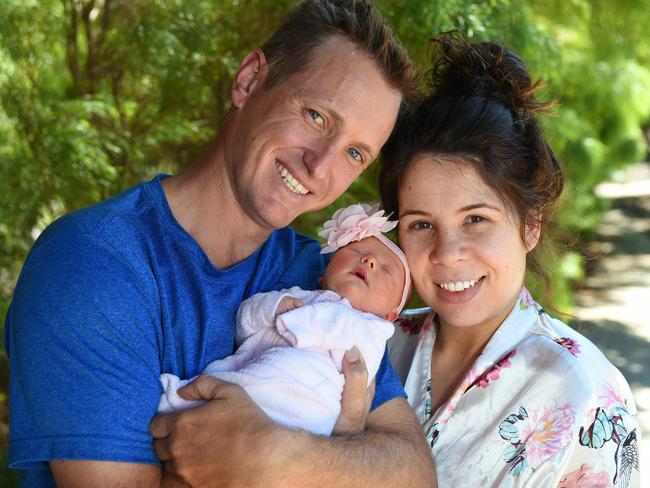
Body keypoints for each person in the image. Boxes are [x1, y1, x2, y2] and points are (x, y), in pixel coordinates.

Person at [3, 1, 436, 486]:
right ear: (249, 80)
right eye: (315, 116)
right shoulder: (95, 263)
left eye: (355, 152)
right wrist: (341, 452)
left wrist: (278, 457)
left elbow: (412, 470)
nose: (319, 166)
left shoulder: (323, 276)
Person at [380, 32, 641, 487]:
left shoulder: (585, 391)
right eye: (421, 224)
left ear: (530, 224)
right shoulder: (376, 345)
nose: (447, 253)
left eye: (476, 219)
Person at [159, 203, 411, 437]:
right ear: (323, 276)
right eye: (356, 250)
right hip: (245, 373)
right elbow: (245, 323)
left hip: (300, 404)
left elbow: (340, 333)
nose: (369, 260)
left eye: (387, 269)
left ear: (389, 315)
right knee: (195, 394)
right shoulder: (297, 296)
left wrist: (296, 320)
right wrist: (274, 308)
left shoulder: (372, 330)